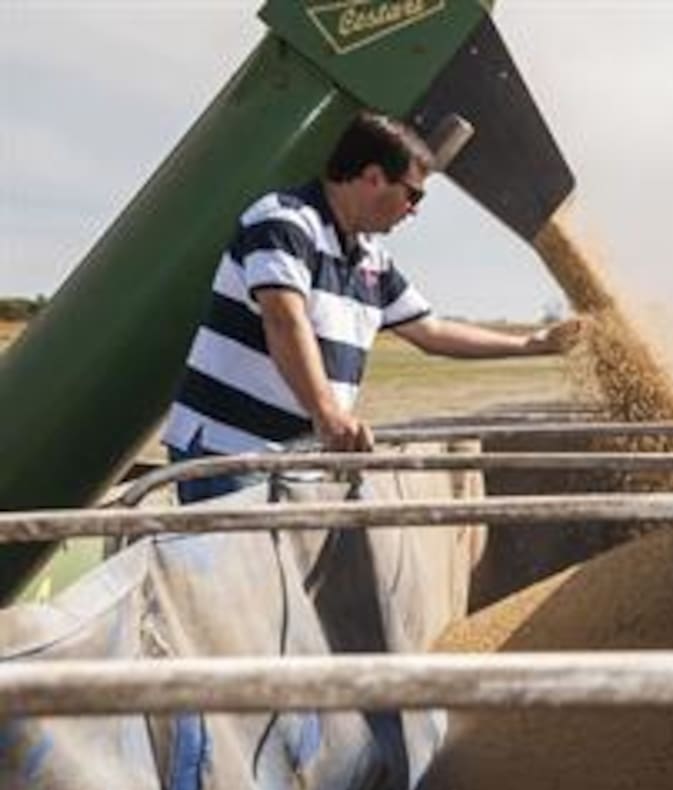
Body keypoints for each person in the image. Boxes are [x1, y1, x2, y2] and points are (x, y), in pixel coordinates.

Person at [161, 111, 578, 503]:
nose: (414, 211)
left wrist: (533, 343)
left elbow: (430, 331)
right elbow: (284, 319)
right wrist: (327, 413)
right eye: (413, 195)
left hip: (296, 460)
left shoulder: (370, 258)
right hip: (231, 453)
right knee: (239, 580)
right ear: (374, 177)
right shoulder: (285, 222)